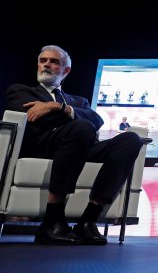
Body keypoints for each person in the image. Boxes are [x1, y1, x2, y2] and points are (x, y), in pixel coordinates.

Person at [5, 45, 143, 245]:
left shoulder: (78, 101)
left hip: (81, 145)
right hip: (44, 147)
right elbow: (34, 119)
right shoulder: (21, 91)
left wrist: (57, 107)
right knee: (81, 127)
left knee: (131, 140)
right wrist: (71, 118)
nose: (47, 65)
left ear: (65, 70)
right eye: (43, 61)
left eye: (54, 62)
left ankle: (88, 220)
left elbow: (97, 120)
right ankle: (52, 221)